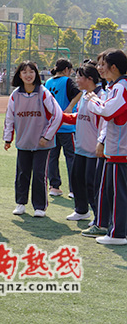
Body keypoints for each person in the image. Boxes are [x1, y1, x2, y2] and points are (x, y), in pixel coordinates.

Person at [4, 61, 63, 217]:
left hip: (42, 143)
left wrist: (46, 136)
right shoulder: (15, 95)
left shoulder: (43, 92)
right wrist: (7, 138)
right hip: (23, 141)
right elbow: (9, 117)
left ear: (36, 74)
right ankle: (20, 203)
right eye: (24, 72)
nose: (28, 75)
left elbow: (58, 115)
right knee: (22, 173)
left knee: (39, 174)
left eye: (31, 71)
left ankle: (39, 206)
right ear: (19, 75)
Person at [84, 49, 127, 245]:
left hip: (121, 150)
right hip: (117, 149)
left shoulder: (121, 87)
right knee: (114, 192)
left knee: (118, 194)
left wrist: (92, 100)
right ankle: (114, 230)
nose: (100, 68)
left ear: (114, 67)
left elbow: (108, 112)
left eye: (103, 65)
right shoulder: (116, 86)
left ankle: (117, 234)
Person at [61, 63, 106, 224]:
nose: (76, 80)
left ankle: (98, 217)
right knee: (77, 179)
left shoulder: (100, 97)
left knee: (91, 184)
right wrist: (61, 116)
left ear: (90, 79)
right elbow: (78, 117)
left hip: (94, 151)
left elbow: (104, 124)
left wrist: (101, 143)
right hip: (80, 148)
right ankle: (81, 210)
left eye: (79, 76)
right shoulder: (85, 95)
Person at [44, 59, 82, 197]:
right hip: (66, 125)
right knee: (71, 157)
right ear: (67, 69)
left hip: (52, 126)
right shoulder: (67, 80)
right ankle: (74, 188)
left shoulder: (48, 82)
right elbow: (78, 93)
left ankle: (54, 186)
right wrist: (70, 106)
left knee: (52, 157)